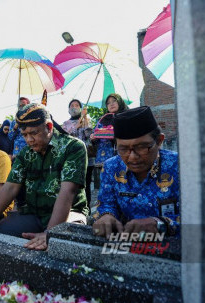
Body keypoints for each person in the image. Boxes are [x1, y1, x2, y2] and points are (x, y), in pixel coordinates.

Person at [0, 104, 89, 251]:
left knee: (61, 247)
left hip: (69, 214)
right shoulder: (26, 153)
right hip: (34, 213)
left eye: (33, 133)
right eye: (24, 135)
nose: (29, 140)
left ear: (49, 127)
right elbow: (10, 187)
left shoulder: (73, 147)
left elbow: (68, 192)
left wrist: (50, 233)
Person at [92, 106, 180, 239]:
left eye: (142, 147)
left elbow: (199, 215)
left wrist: (161, 224)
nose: (132, 157)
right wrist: (106, 216)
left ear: (159, 141)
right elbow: (106, 203)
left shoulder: (179, 166)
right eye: (123, 149)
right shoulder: (111, 167)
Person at [62, 99, 95, 208]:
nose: (74, 107)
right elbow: (65, 138)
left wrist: (85, 121)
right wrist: (76, 127)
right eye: (72, 105)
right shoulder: (66, 124)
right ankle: (73, 208)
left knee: (86, 185)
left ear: (81, 109)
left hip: (87, 158)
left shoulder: (86, 120)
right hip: (71, 158)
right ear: (68, 109)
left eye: (77, 105)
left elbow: (89, 137)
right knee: (72, 184)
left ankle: (87, 209)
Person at [91, 93, 128, 167]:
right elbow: (94, 135)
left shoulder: (127, 117)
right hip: (104, 158)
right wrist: (93, 138)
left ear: (120, 102)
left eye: (114, 101)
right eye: (108, 103)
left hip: (123, 157)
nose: (111, 104)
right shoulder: (103, 120)